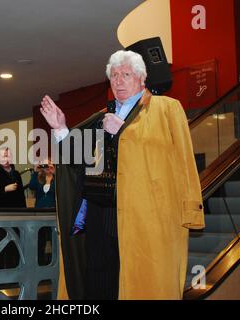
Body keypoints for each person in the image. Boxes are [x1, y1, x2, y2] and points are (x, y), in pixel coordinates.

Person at [40, 49, 205, 300]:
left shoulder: (167, 109)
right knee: (99, 283)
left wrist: (125, 132)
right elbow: (80, 163)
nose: (118, 80)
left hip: (144, 216)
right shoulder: (100, 117)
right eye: (114, 75)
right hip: (98, 215)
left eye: (125, 74)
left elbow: (179, 159)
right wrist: (61, 128)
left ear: (142, 78)